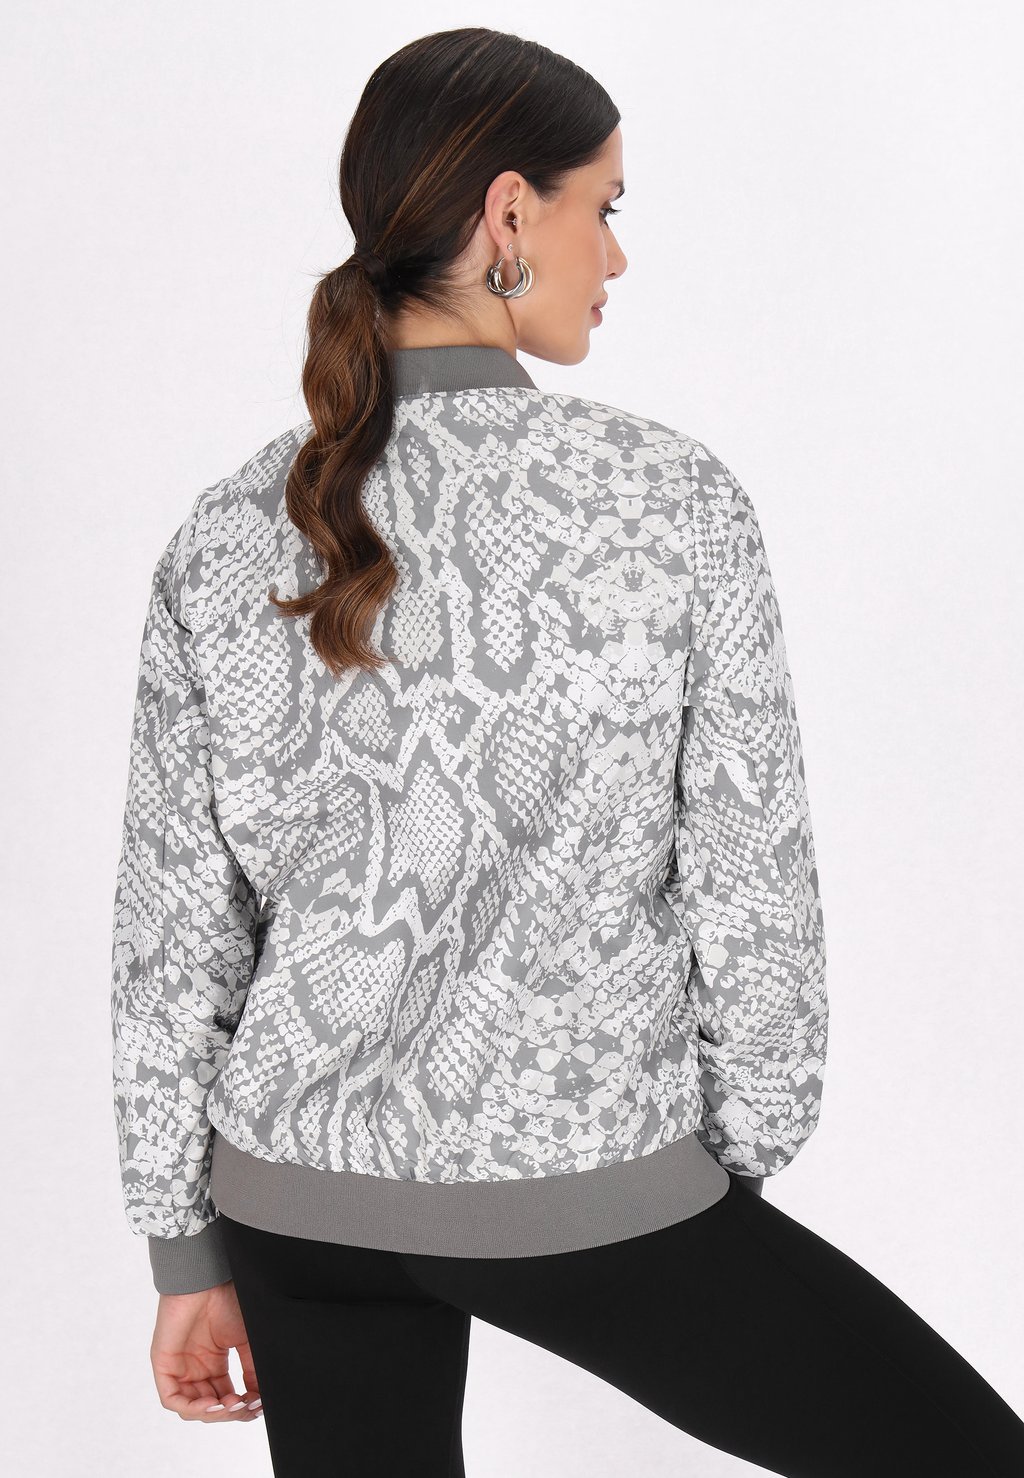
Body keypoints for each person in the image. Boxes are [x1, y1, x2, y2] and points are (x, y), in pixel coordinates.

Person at [109, 25, 1024, 1478]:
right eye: (606, 206)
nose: (617, 254)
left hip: (290, 1208)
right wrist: (723, 1164)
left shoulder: (225, 530)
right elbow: (752, 881)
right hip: (584, 1185)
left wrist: (186, 1248)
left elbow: (174, 928)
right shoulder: (668, 498)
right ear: (509, 216)